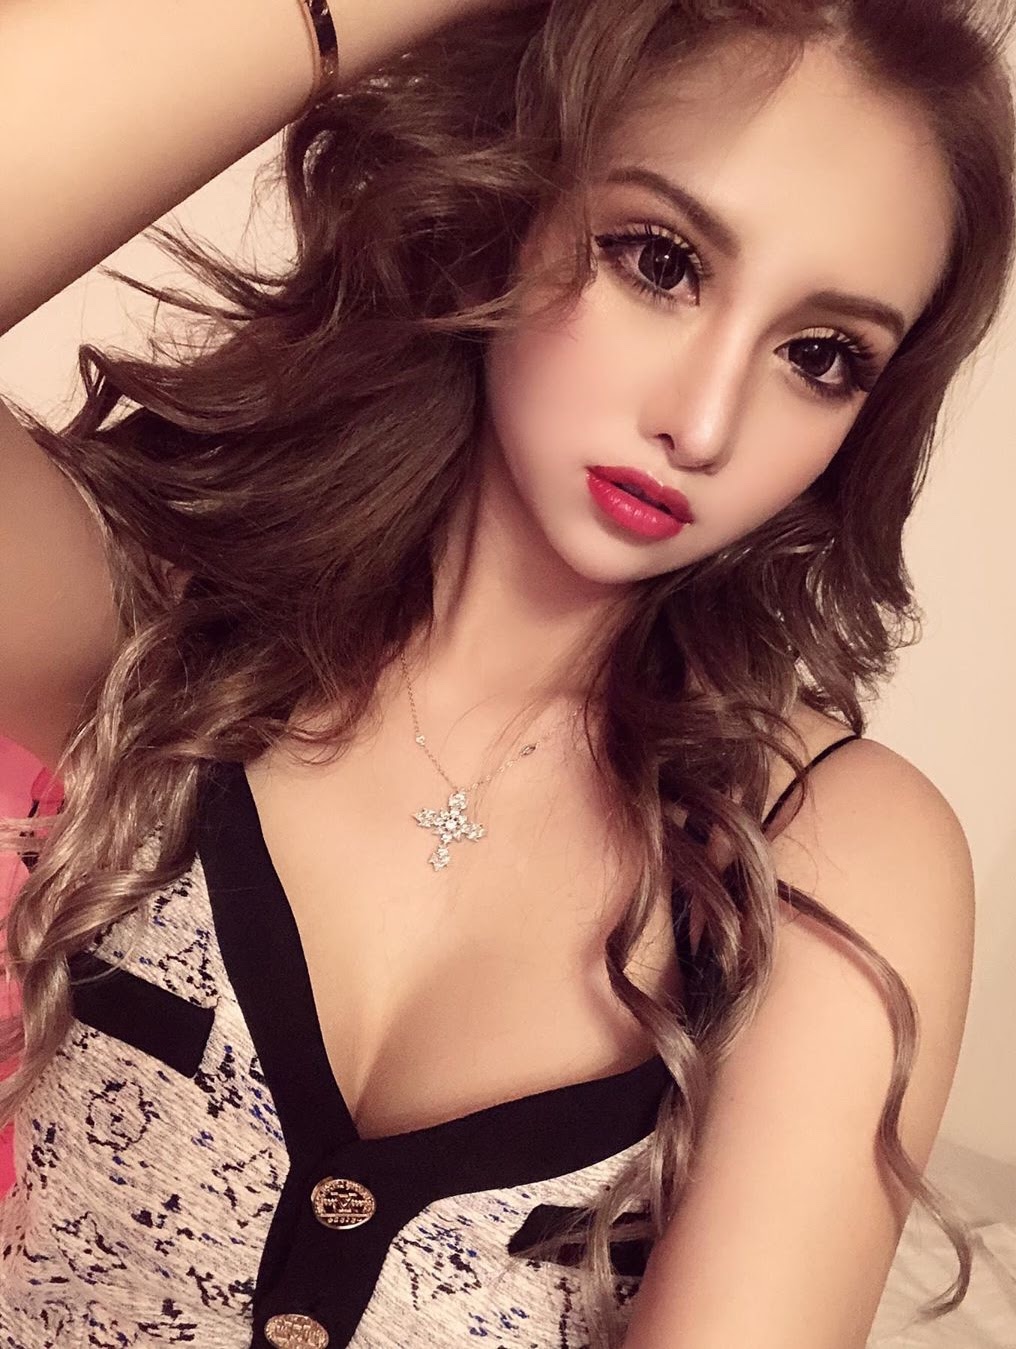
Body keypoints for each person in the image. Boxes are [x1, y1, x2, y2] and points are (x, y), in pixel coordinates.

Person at [0, 0, 1013, 1345]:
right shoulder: (147, 616)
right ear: (507, 197)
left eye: (819, 356)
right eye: (660, 260)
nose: (704, 421)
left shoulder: (826, 850)